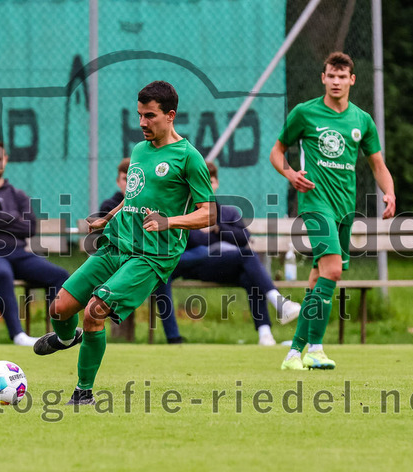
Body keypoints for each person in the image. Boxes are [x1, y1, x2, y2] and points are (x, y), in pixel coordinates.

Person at [34, 80, 216, 405]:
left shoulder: (189, 158)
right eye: (140, 115)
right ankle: (66, 340)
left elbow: (209, 213)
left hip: (151, 256)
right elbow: (134, 195)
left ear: (170, 115)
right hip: (116, 245)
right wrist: (108, 217)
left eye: (150, 116)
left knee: (95, 311)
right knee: (59, 309)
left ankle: (83, 393)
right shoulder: (139, 150)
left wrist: (169, 222)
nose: (142, 123)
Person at [270, 52, 395, 370]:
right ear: (323, 78)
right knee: (334, 270)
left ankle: (294, 354)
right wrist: (290, 174)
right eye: (331, 76)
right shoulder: (305, 113)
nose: (336, 81)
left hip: (344, 209)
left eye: (342, 76)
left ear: (352, 80)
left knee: (318, 279)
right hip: (315, 203)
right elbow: (277, 151)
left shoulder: (362, 120)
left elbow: (377, 165)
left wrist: (390, 192)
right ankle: (316, 349)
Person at [154, 161, 302, 346]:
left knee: (249, 275)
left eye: (209, 181)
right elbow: (194, 243)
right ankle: (279, 302)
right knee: (244, 255)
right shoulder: (185, 212)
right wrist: (204, 232)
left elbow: (243, 237)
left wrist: (217, 227)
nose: (205, 185)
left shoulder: (228, 212)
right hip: (194, 267)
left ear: (216, 183)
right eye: (199, 181)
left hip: (222, 266)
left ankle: (265, 334)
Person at [0, 139, 69, 346]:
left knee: (60, 275)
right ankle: (18, 335)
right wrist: (13, 218)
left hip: (18, 253)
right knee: (3, 274)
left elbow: (29, 227)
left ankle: (60, 335)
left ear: (6, 160)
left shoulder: (17, 194)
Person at [99, 157, 184, 343]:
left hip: (158, 256)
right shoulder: (110, 205)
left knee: (158, 270)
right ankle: (172, 336)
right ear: (118, 181)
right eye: (125, 179)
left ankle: (171, 337)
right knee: (156, 273)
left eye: (133, 178)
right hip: (124, 257)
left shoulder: (154, 202)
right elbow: (112, 236)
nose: (130, 183)